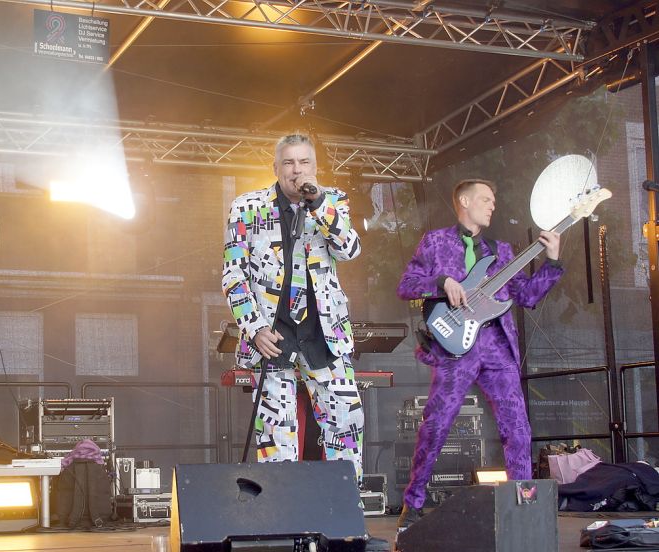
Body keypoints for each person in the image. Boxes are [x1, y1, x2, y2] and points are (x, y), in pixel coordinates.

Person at [395, 178, 563, 529]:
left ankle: (523, 508)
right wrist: (441, 282)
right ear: (465, 202)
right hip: (455, 347)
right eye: (486, 199)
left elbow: (528, 296)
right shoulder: (435, 242)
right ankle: (413, 504)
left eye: (493, 200)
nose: (492, 206)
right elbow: (406, 285)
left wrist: (551, 261)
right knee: (437, 425)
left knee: (518, 427)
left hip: (497, 346)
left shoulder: (501, 251)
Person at [221, 133, 363, 471]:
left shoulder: (333, 201)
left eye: (304, 162)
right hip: (273, 333)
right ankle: (280, 516)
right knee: (276, 433)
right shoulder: (247, 207)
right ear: (276, 168)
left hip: (322, 331)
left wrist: (318, 204)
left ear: (315, 167)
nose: (296, 170)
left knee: (345, 422)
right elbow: (233, 275)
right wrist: (254, 328)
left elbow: (350, 250)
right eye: (288, 162)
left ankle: (345, 513)